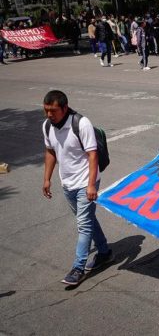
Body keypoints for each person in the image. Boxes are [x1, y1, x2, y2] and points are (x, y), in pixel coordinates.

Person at [42, 90, 113, 286]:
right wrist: (47, 179)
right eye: (46, 110)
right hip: (67, 183)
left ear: (65, 108)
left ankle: (78, 268)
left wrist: (91, 185)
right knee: (87, 219)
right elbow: (50, 152)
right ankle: (104, 252)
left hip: (85, 182)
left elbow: (92, 155)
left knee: (83, 224)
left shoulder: (81, 123)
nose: (49, 114)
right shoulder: (47, 125)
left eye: (53, 110)